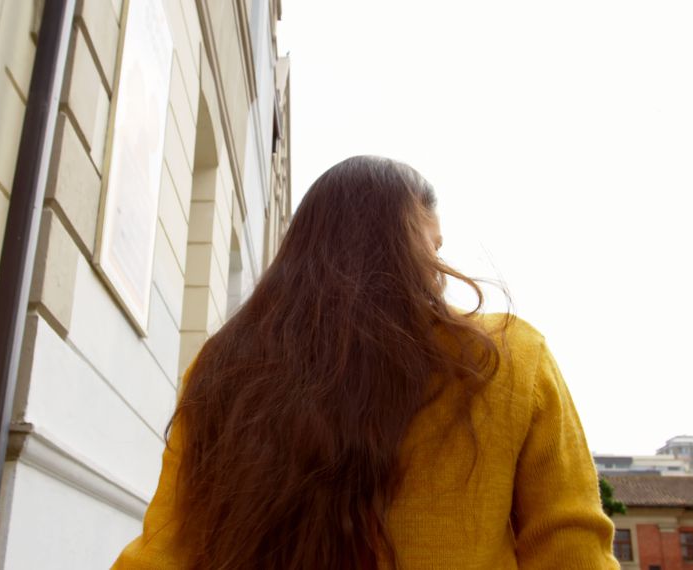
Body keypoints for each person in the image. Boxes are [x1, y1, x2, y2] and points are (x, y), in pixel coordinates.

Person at [113, 156, 617, 569]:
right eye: (433, 245)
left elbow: (162, 553)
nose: (441, 270)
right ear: (402, 246)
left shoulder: (221, 366)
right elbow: (571, 549)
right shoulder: (508, 357)